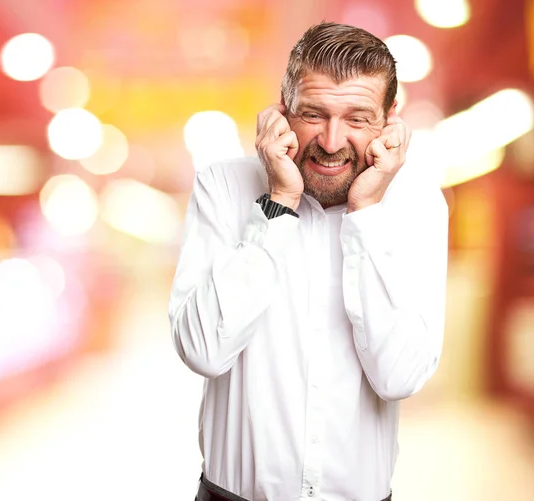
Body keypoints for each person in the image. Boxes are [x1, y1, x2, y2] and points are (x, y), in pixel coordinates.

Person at [168, 22, 448, 501]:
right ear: (282, 109)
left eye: (358, 118)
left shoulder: (418, 203)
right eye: (314, 114)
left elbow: (399, 375)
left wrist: (366, 214)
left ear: (391, 119)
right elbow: (201, 351)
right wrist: (279, 202)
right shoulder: (223, 185)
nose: (333, 140)